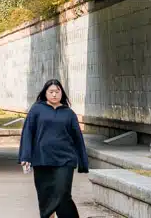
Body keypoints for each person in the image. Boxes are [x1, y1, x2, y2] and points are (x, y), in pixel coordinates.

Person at [19, 79, 89, 218]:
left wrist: (83, 162)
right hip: (42, 159)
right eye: (51, 92)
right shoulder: (37, 110)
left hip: (65, 159)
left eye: (57, 92)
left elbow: (77, 138)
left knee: (63, 193)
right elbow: (28, 133)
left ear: (62, 93)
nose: (54, 95)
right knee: (45, 195)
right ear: (45, 93)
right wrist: (25, 156)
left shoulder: (69, 113)